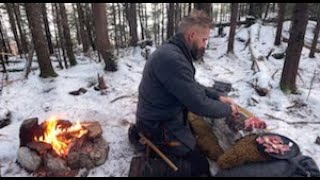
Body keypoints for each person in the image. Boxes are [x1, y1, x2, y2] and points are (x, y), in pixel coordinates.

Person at [133, 10, 238, 177]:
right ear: (191, 35)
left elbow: (191, 85)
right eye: (204, 40)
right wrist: (228, 110)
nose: (204, 45)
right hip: (158, 125)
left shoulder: (173, 52)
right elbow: (199, 104)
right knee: (200, 167)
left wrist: (217, 96)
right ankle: (154, 161)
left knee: (194, 137)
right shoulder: (172, 59)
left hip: (161, 116)